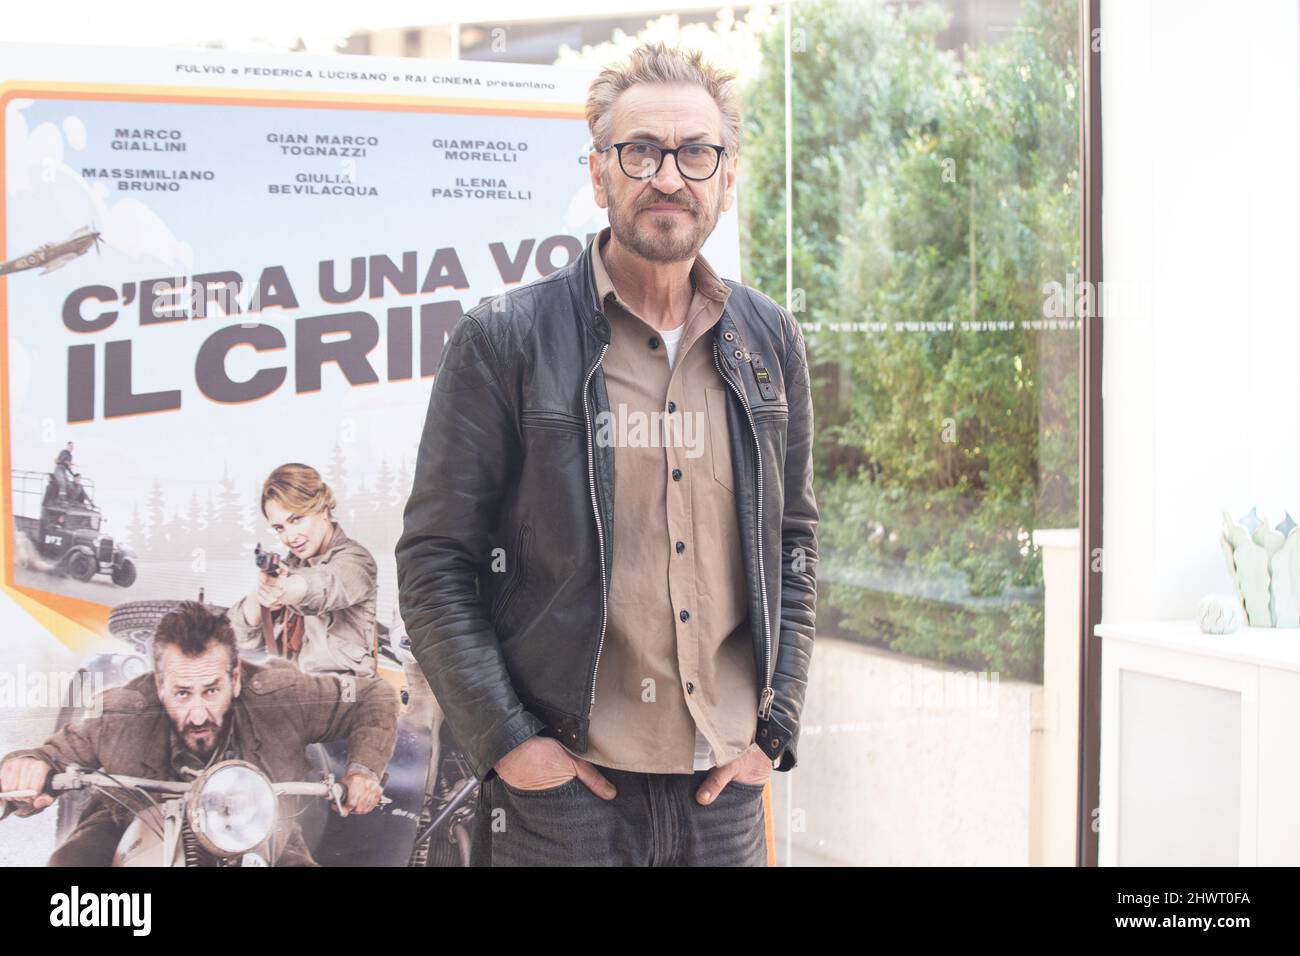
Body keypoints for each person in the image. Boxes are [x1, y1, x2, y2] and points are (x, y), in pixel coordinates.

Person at [396, 42, 819, 866]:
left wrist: (775, 729)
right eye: (640, 152)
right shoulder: (506, 340)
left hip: (724, 792)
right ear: (599, 176)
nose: (669, 176)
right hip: (563, 802)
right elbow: (434, 561)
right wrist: (513, 744)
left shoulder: (770, 340)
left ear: (727, 177)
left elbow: (793, 543)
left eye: (696, 152)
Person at [0, 601, 398, 866]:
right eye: (181, 693)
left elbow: (373, 695)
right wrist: (29, 769)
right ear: (158, 685)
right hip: (132, 821)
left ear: (236, 677)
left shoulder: (281, 697)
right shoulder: (124, 713)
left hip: (256, 829)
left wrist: (363, 769)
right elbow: (51, 756)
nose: (197, 714)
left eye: (211, 690)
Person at [228, 463, 379, 677]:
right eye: (280, 528)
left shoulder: (356, 561)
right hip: (298, 692)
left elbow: (322, 586)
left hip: (347, 697)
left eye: (296, 520)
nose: (290, 537)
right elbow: (235, 635)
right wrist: (262, 594)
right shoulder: (291, 565)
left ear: (323, 510)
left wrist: (284, 589)